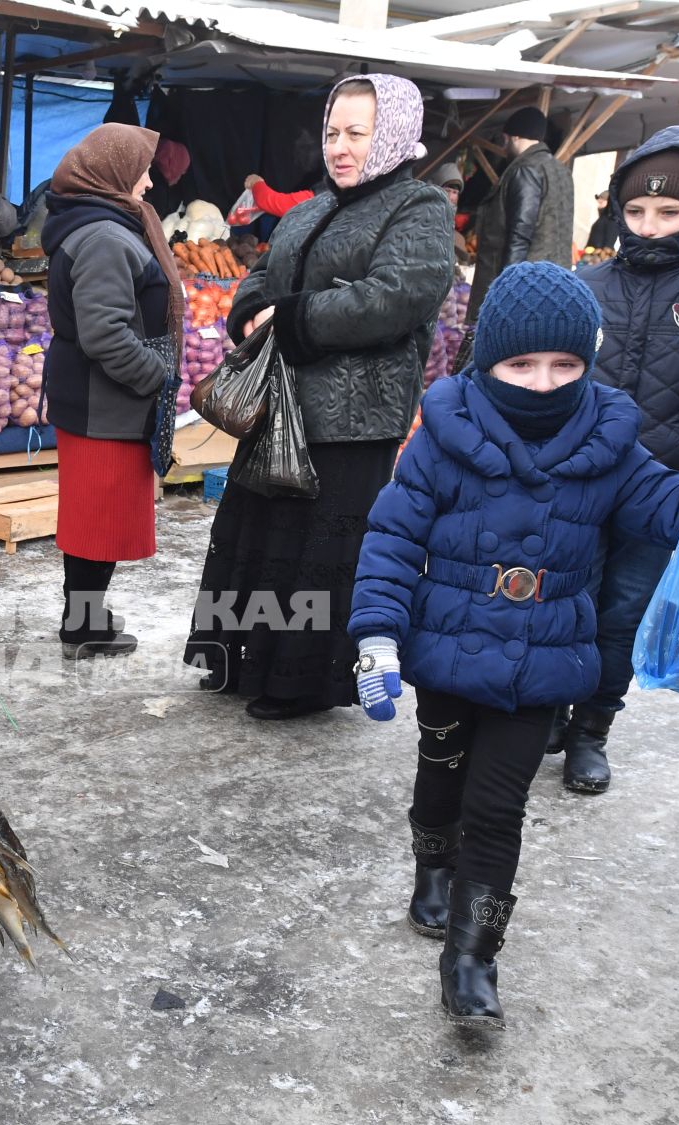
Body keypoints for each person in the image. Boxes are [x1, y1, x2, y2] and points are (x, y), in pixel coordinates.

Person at [349, 263, 679, 1027]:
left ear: (588, 361)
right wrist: (376, 635)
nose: (543, 383)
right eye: (522, 363)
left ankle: (473, 957)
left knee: (499, 808)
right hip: (447, 654)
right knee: (441, 777)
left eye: (565, 364)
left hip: (543, 667)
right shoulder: (442, 439)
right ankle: (432, 869)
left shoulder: (610, 443)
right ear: (488, 360)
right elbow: (392, 541)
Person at [184, 74, 454, 719]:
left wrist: (292, 317)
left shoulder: (417, 208)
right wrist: (250, 309)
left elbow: (397, 296)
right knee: (255, 534)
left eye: (357, 134)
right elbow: (260, 274)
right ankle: (239, 658)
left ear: (390, 135)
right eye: (333, 132)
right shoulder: (307, 208)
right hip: (280, 404)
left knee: (318, 551)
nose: (340, 146)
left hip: (354, 416)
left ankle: (299, 683)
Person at [554, 127, 679, 792]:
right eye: (636, 211)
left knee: (621, 615)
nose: (649, 227)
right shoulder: (585, 283)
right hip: (573, 483)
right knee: (564, 602)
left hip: (660, 490)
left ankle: (592, 729)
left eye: (671, 214)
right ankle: (549, 706)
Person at [42, 122, 183, 659]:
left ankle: (85, 619)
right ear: (115, 173)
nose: (148, 183)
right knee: (95, 522)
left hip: (101, 401)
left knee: (95, 519)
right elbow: (105, 333)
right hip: (106, 404)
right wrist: (157, 375)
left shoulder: (100, 226)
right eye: (143, 171)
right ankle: (82, 629)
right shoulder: (103, 237)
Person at [468, 107, 574, 318]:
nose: (505, 146)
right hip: (549, 281)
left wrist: (507, 291)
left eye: (506, 139)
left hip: (523, 286)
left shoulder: (526, 169)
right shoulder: (561, 171)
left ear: (515, 137)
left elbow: (520, 233)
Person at [423, 163, 470, 386]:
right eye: (447, 189)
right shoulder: (425, 216)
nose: (452, 196)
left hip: (448, 298)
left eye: (455, 191)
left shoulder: (448, 219)